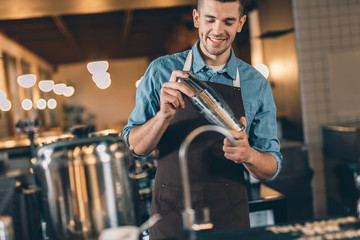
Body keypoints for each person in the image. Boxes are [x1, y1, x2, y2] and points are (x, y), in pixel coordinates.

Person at [122, 0, 282, 239]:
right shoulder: (161, 71)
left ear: (241, 23)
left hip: (230, 221)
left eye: (228, 21)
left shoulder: (256, 84)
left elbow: (272, 166)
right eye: (210, 20)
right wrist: (162, 116)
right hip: (173, 218)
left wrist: (249, 155)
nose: (217, 31)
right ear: (197, 19)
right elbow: (135, 147)